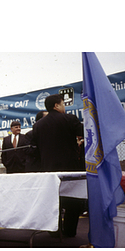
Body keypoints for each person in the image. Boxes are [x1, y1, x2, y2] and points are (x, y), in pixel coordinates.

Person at [32, 94, 84, 237]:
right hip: (70, 169)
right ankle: (69, 232)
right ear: (56, 105)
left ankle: (54, 231)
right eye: (63, 104)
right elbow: (84, 133)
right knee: (73, 200)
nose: (64, 107)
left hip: (48, 169)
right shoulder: (69, 119)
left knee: (53, 201)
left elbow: (34, 148)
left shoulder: (38, 125)